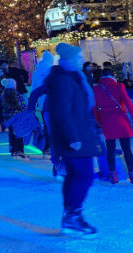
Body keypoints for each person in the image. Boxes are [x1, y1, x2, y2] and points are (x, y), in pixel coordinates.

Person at [44, 43, 103, 236]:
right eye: (79, 57)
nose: (81, 60)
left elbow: (81, 108)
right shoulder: (63, 78)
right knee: (84, 175)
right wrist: (73, 137)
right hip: (75, 137)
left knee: (75, 175)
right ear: (69, 59)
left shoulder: (71, 76)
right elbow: (61, 110)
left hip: (79, 133)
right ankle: (72, 217)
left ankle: (71, 215)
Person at [92, 67, 133, 184]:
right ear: (112, 76)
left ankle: (113, 175)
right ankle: (132, 175)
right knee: (127, 149)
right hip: (120, 120)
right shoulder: (119, 86)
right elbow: (128, 103)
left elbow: (94, 108)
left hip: (106, 121)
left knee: (110, 149)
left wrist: (98, 122)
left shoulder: (96, 89)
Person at [0, 78, 26, 157]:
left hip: (7, 118)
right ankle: (19, 150)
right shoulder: (17, 94)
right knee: (18, 133)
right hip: (17, 117)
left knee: (11, 133)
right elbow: (22, 105)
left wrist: (0, 114)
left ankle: (12, 149)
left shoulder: (2, 94)